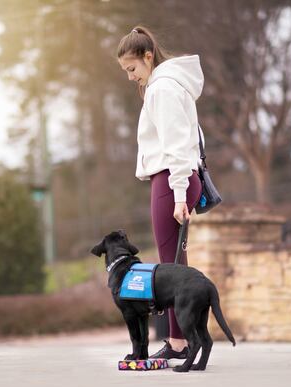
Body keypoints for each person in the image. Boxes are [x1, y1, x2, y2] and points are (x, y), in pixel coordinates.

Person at [117, 26, 204, 360]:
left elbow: (178, 145)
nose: (130, 76)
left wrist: (180, 194)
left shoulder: (162, 89)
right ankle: (185, 338)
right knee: (175, 264)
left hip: (171, 181)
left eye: (132, 68)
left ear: (148, 56)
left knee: (171, 268)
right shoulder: (167, 85)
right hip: (174, 180)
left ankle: (180, 342)